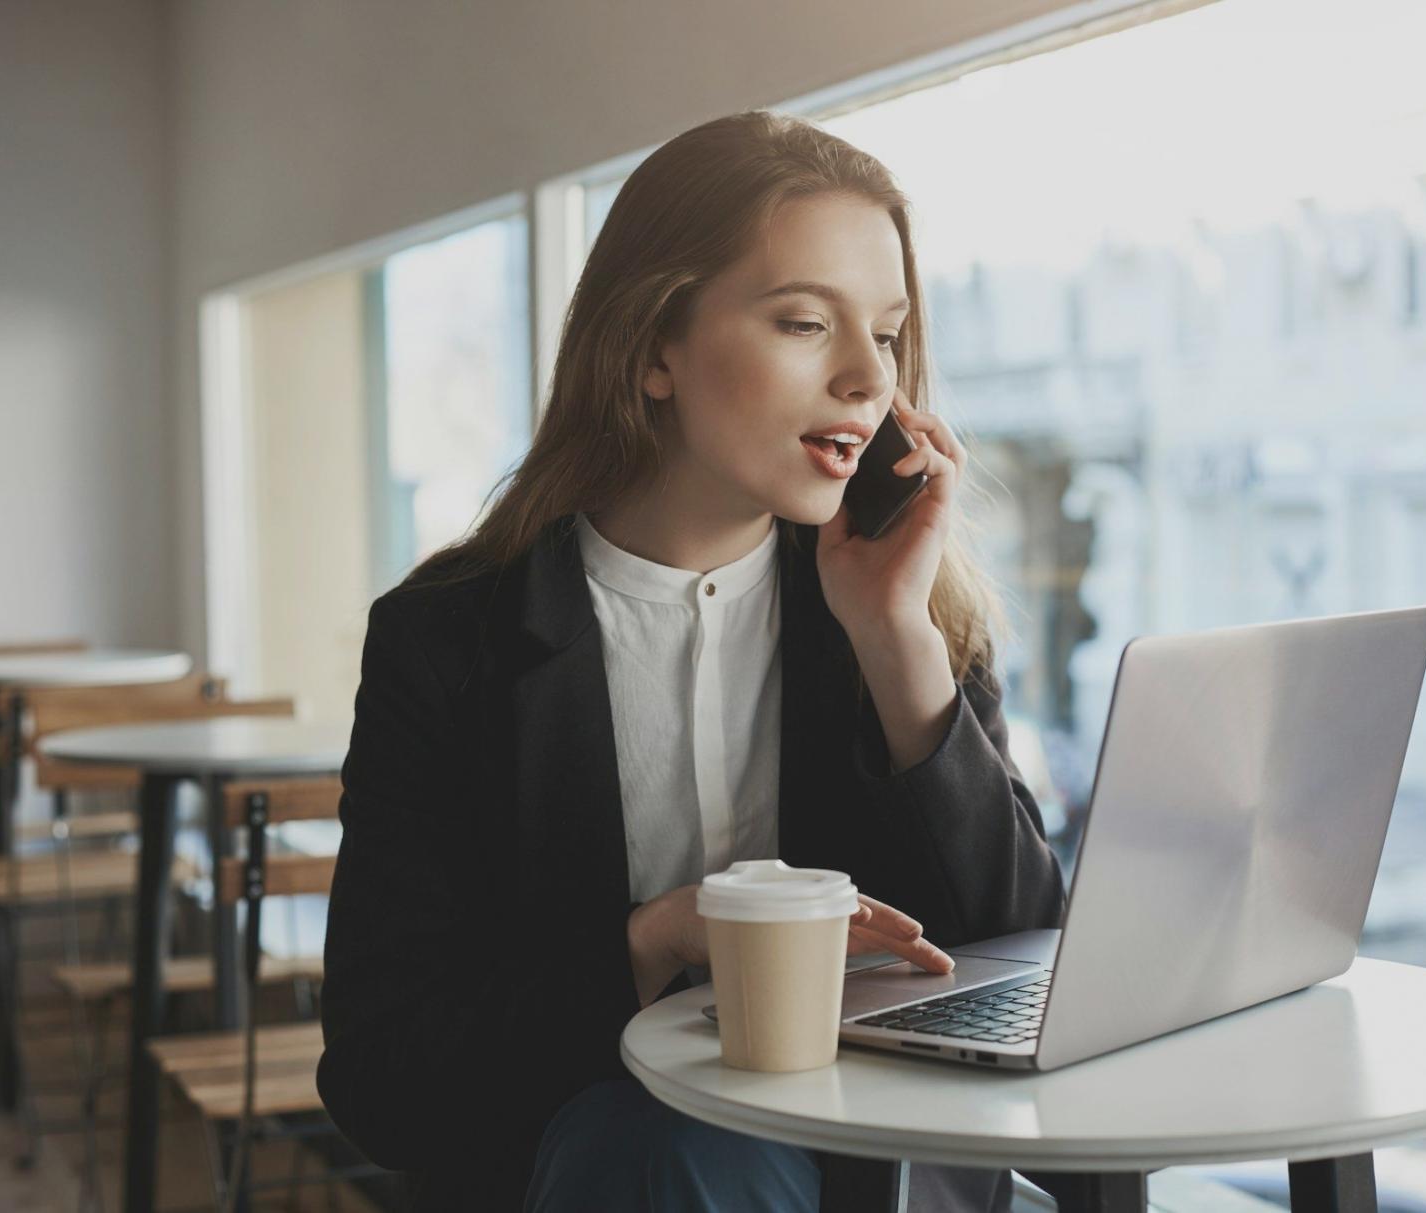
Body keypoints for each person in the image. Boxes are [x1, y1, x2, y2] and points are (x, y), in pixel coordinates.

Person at [317, 108, 1067, 1212]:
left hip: (888, 1169)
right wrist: (653, 940)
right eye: (804, 322)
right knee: (668, 1148)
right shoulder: (446, 641)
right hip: (592, 1165)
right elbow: (384, 1079)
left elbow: (1028, 959)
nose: (866, 379)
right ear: (651, 348)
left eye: (887, 334)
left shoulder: (909, 606)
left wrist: (896, 645)